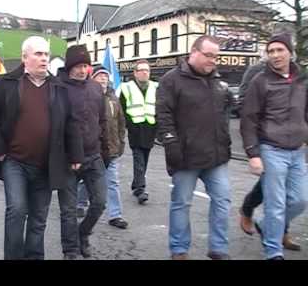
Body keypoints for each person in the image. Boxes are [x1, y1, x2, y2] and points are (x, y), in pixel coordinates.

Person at [0, 36, 83, 260]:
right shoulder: (7, 83)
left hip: (47, 164)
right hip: (14, 161)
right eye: (38, 54)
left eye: (46, 54)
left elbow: (71, 122)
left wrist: (76, 154)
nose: (44, 59)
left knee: (39, 218)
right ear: (24, 57)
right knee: (17, 210)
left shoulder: (59, 87)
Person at [156, 35, 232, 260]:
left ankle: (218, 248)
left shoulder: (217, 80)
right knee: (181, 203)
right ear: (194, 52)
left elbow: (225, 112)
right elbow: (163, 115)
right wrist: (171, 144)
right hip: (185, 156)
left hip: (216, 155)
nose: (213, 61)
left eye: (216, 57)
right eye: (208, 55)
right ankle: (179, 250)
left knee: (223, 199)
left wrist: (226, 139)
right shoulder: (171, 80)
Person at [240, 33, 308, 260]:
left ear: (290, 52)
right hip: (271, 149)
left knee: (300, 200)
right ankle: (273, 251)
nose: (275, 55)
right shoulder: (260, 81)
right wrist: (253, 153)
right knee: (275, 203)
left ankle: (264, 224)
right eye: (271, 51)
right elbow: (248, 118)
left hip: (298, 151)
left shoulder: (302, 80)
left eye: (280, 50)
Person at [57, 44, 108, 259]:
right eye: (78, 65)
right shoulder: (57, 88)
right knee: (68, 210)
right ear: (69, 66)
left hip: (93, 156)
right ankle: (70, 250)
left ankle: (83, 234)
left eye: (85, 65)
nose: (82, 70)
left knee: (100, 202)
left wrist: (106, 151)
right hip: (66, 159)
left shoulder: (96, 88)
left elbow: (103, 120)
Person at [92, 65, 128, 229]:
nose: (103, 78)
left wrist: (121, 142)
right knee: (87, 181)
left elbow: (121, 122)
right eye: (99, 76)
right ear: (93, 78)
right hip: (93, 150)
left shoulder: (114, 98)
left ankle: (115, 215)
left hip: (111, 149)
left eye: (105, 76)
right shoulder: (89, 96)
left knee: (112, 182)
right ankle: (79, 204)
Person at [119, 60, 158, 205]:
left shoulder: (156, 87)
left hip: (150, 128)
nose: (144, 73)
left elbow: (159, 107)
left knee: (145, 159)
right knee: (139, 159)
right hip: (135, 129)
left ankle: (136, 185)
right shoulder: (126, 87)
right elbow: (121, 109)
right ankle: (141, 189)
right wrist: (127, 126)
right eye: (141, 70)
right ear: (135, 73)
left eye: (147, 70)